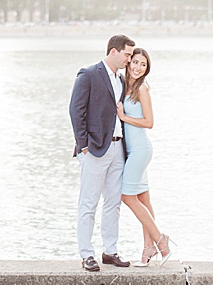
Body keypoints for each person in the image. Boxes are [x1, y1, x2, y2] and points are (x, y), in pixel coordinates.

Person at [69, 34, 135, 272]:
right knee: (88, 203)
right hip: (95, 149)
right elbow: (76, 111)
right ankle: (86, 254)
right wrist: (83, 145)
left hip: (118, 148)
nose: (129, 60)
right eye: (127, 55)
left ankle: (110, 251)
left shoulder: (121, 79)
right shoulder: (88, 74)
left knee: (113, 202)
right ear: (114, 51)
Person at [115, 48, 175, 266]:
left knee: (126, 196)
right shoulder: (125, 85)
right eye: (136, 63)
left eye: (143, 65)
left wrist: (124, 117)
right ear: (129, 62)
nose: (138, 68)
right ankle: (147, 250)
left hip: (140, 150)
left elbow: (149, 122)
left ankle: (161, 240)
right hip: (133, 150)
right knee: (143, 200)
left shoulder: (142, 89)